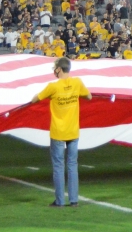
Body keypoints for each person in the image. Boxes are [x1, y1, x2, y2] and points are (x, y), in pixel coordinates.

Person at [30, 57, 92, 207]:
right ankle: (74, 200)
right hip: (73, 131)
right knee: (72, 165)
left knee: (58, 166)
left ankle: (59, 201)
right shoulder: (77, 83)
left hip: (58, 132)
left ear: (59, 69)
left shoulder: (53, 87)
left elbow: (34, 99)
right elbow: (89, 96)